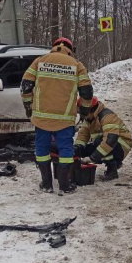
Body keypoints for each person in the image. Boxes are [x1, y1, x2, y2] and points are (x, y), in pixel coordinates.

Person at [21, 37, 93, 194]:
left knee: (41, 148)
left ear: (54, 47)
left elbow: (26, 85)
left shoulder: (40, 61)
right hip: (64, 118)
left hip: (42, 117)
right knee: (66, 149)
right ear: (71, 49)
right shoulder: (77, 65)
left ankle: (46, 184)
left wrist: (28, 106)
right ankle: (64, 185)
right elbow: (87, 92)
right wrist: (85, 111)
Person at [75, 97, 132, 181]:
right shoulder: (89, 118)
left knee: (100, 143)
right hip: (102, 143)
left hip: (120, 145)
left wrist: (92, 158)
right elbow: (82, 135)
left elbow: (110, 140)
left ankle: (112, 168)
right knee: (84, 150)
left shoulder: (107, 116)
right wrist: (78, 148)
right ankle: (112, 162)